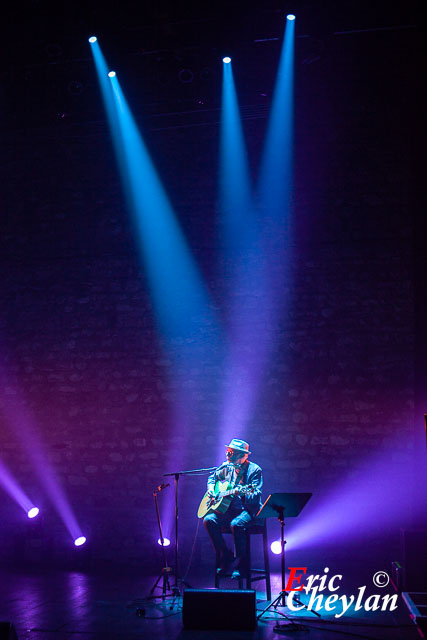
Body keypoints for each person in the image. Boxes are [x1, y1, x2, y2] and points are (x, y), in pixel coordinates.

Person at [203, 438, 263, 580]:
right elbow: (212, 478)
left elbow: (255, 496)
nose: (228, 455)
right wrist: (212, 490)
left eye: (233, 453)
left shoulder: (255, 470)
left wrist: (242, 492)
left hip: (249, 510)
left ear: (244, 455)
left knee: (236, 524)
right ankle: (226, 556)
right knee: (209, 520)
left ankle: (240, 564)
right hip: (229, 510)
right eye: (228, 452)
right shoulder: (227, 466)